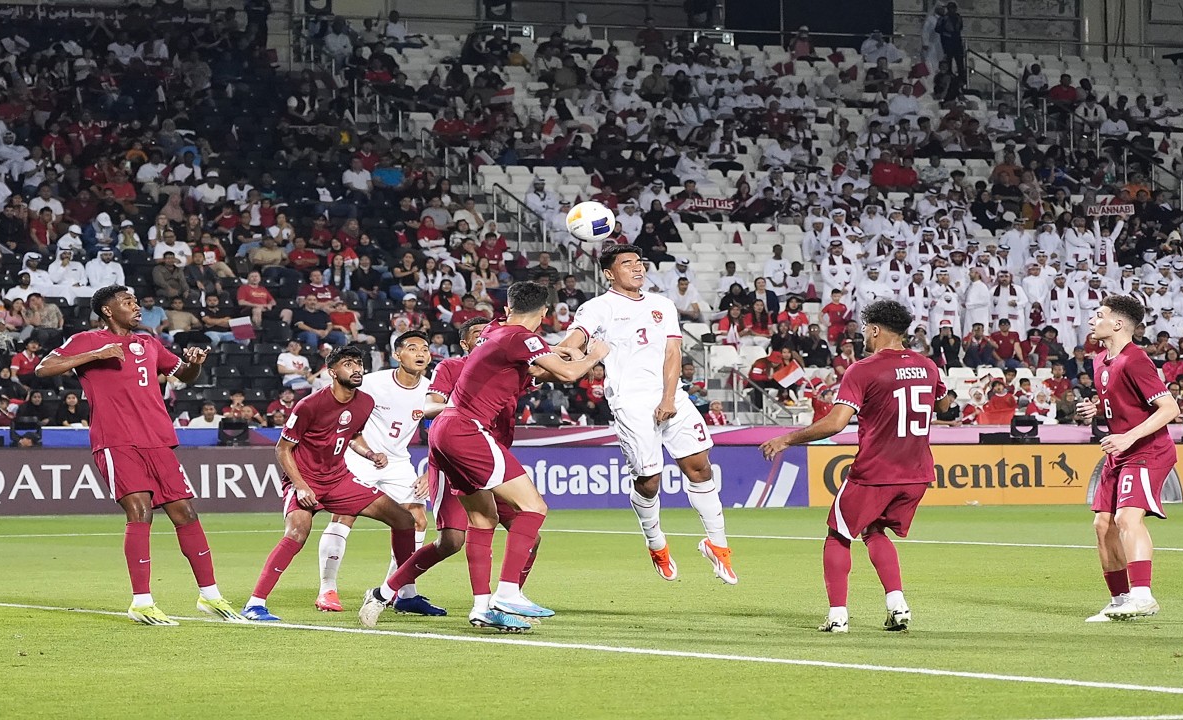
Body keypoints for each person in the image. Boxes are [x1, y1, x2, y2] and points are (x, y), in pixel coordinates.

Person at [394, 282, 607, 632]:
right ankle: (507, 593)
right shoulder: (516, 340)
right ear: (544, 314)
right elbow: (566, 372)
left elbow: (541, 364)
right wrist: (596, 353)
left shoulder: (497, 332)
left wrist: (565, 348)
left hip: (457, 433)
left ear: (507, 309)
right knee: (532, 509)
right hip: (469, 433)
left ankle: (478, 606)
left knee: (484, 521)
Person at [33, 285, 243, 626]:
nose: (136, 307)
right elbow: (44, 369)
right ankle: (142, 601)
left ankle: (210, 595)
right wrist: (96, 355)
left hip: (158, 440)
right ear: (107, 311)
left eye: (135, 301)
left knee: (186, 513)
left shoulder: (149, 343)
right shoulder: (88, 339)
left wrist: (194, 365)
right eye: (127, 302)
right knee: (140, 511)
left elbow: (183, 377)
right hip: (116, 440)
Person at [759, 299, 945, 633]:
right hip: (916, 472)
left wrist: (786, 439)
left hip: (875, 471)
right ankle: (897, 605)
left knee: (838, 534)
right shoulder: (928, 367)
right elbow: (942, 402)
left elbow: (835, 423)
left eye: (866, 330)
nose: (864, 336)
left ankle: (837, 616)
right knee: (874, 530)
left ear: (875, 330)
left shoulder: (864, 369)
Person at [559, 245, 736, 585]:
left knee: (700, 466)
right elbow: (576, 337)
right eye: (627, 264)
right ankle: (656, 543)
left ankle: (719, 546)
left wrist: (669, 397)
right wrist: (570, 348)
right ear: (609, 273)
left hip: (672, 395)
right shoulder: (598, 307)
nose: (637, 268)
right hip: (630, 401)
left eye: (639, 262)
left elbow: (673, 351)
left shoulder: (662, 304)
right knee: (649, 480)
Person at [241, 346, 447, 622]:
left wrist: (370, 453)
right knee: (297, 533)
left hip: (339, 479)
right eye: (348, 364)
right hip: (306, 480)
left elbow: (353, 435)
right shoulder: (310, 405)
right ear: (332, 372)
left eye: (359, 363)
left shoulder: (364, 402)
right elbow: (282, 449)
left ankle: (399, 591)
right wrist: (301, 485)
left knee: (404, 519)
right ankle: (255, 604)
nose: (357, 369)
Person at [315, 331, 444, 616]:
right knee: (344, 516)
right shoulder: (373, 383)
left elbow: (441, 430)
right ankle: (327, 589)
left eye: (424, 347)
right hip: (360, 457)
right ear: (398, 355)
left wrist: (431, 469)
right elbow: (339, 408)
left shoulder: (431, 389)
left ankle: (401, 592)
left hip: (397, 461)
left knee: (418, 520)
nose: (421, 353)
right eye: (412, 348)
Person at [1077, 296, 1179, 621]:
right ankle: (1120, 601)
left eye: (1099, 315)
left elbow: (1170, 408)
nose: (1093, 320)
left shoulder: (1136, 359)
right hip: (1120, 452)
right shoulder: (1100, 361)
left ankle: (1143, 596)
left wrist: (1128, 436)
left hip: (1147, 450)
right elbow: (1122, 400)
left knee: (1126, 519)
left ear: (1118, 324)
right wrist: (1097, 408)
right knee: (1102, 524)